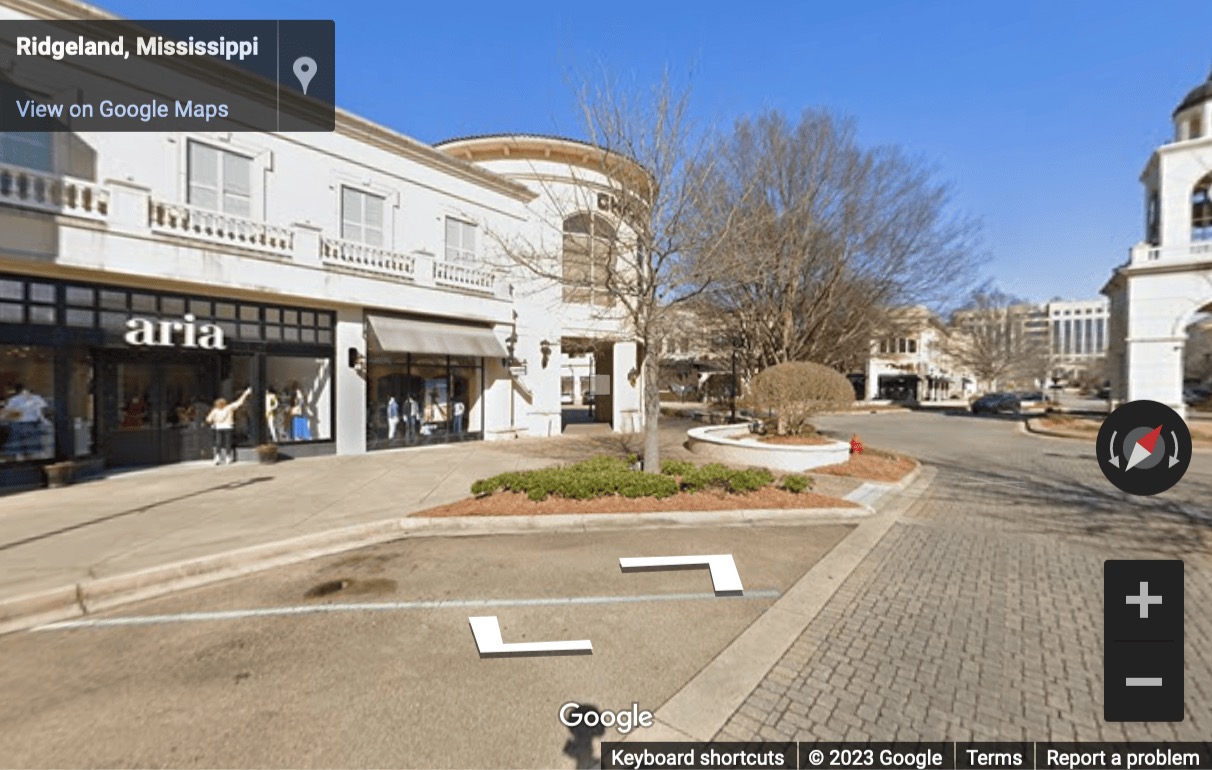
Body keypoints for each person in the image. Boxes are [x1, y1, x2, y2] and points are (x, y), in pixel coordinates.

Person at [206, 387, 252, 465]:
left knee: (218, 442)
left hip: (218, 427)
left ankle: (217, 457)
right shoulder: (229, 408)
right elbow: (239, 402)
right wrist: (246, 393)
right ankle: (228, 457)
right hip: (228, 427)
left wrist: (214, 422)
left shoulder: (214, 410)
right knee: (228, 442)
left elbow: (208, 419)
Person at [3, 384, 49, 461]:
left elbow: (40, 411)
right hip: (19, 422)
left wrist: (44, 420)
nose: (26, 393)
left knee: (33, 441)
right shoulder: (14, 400)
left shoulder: (36, 398)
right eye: (23, 391)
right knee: (17, 439)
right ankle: (19, 455)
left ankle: (35, 455)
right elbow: (9, 412)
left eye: (28, 391)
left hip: (32, 422)